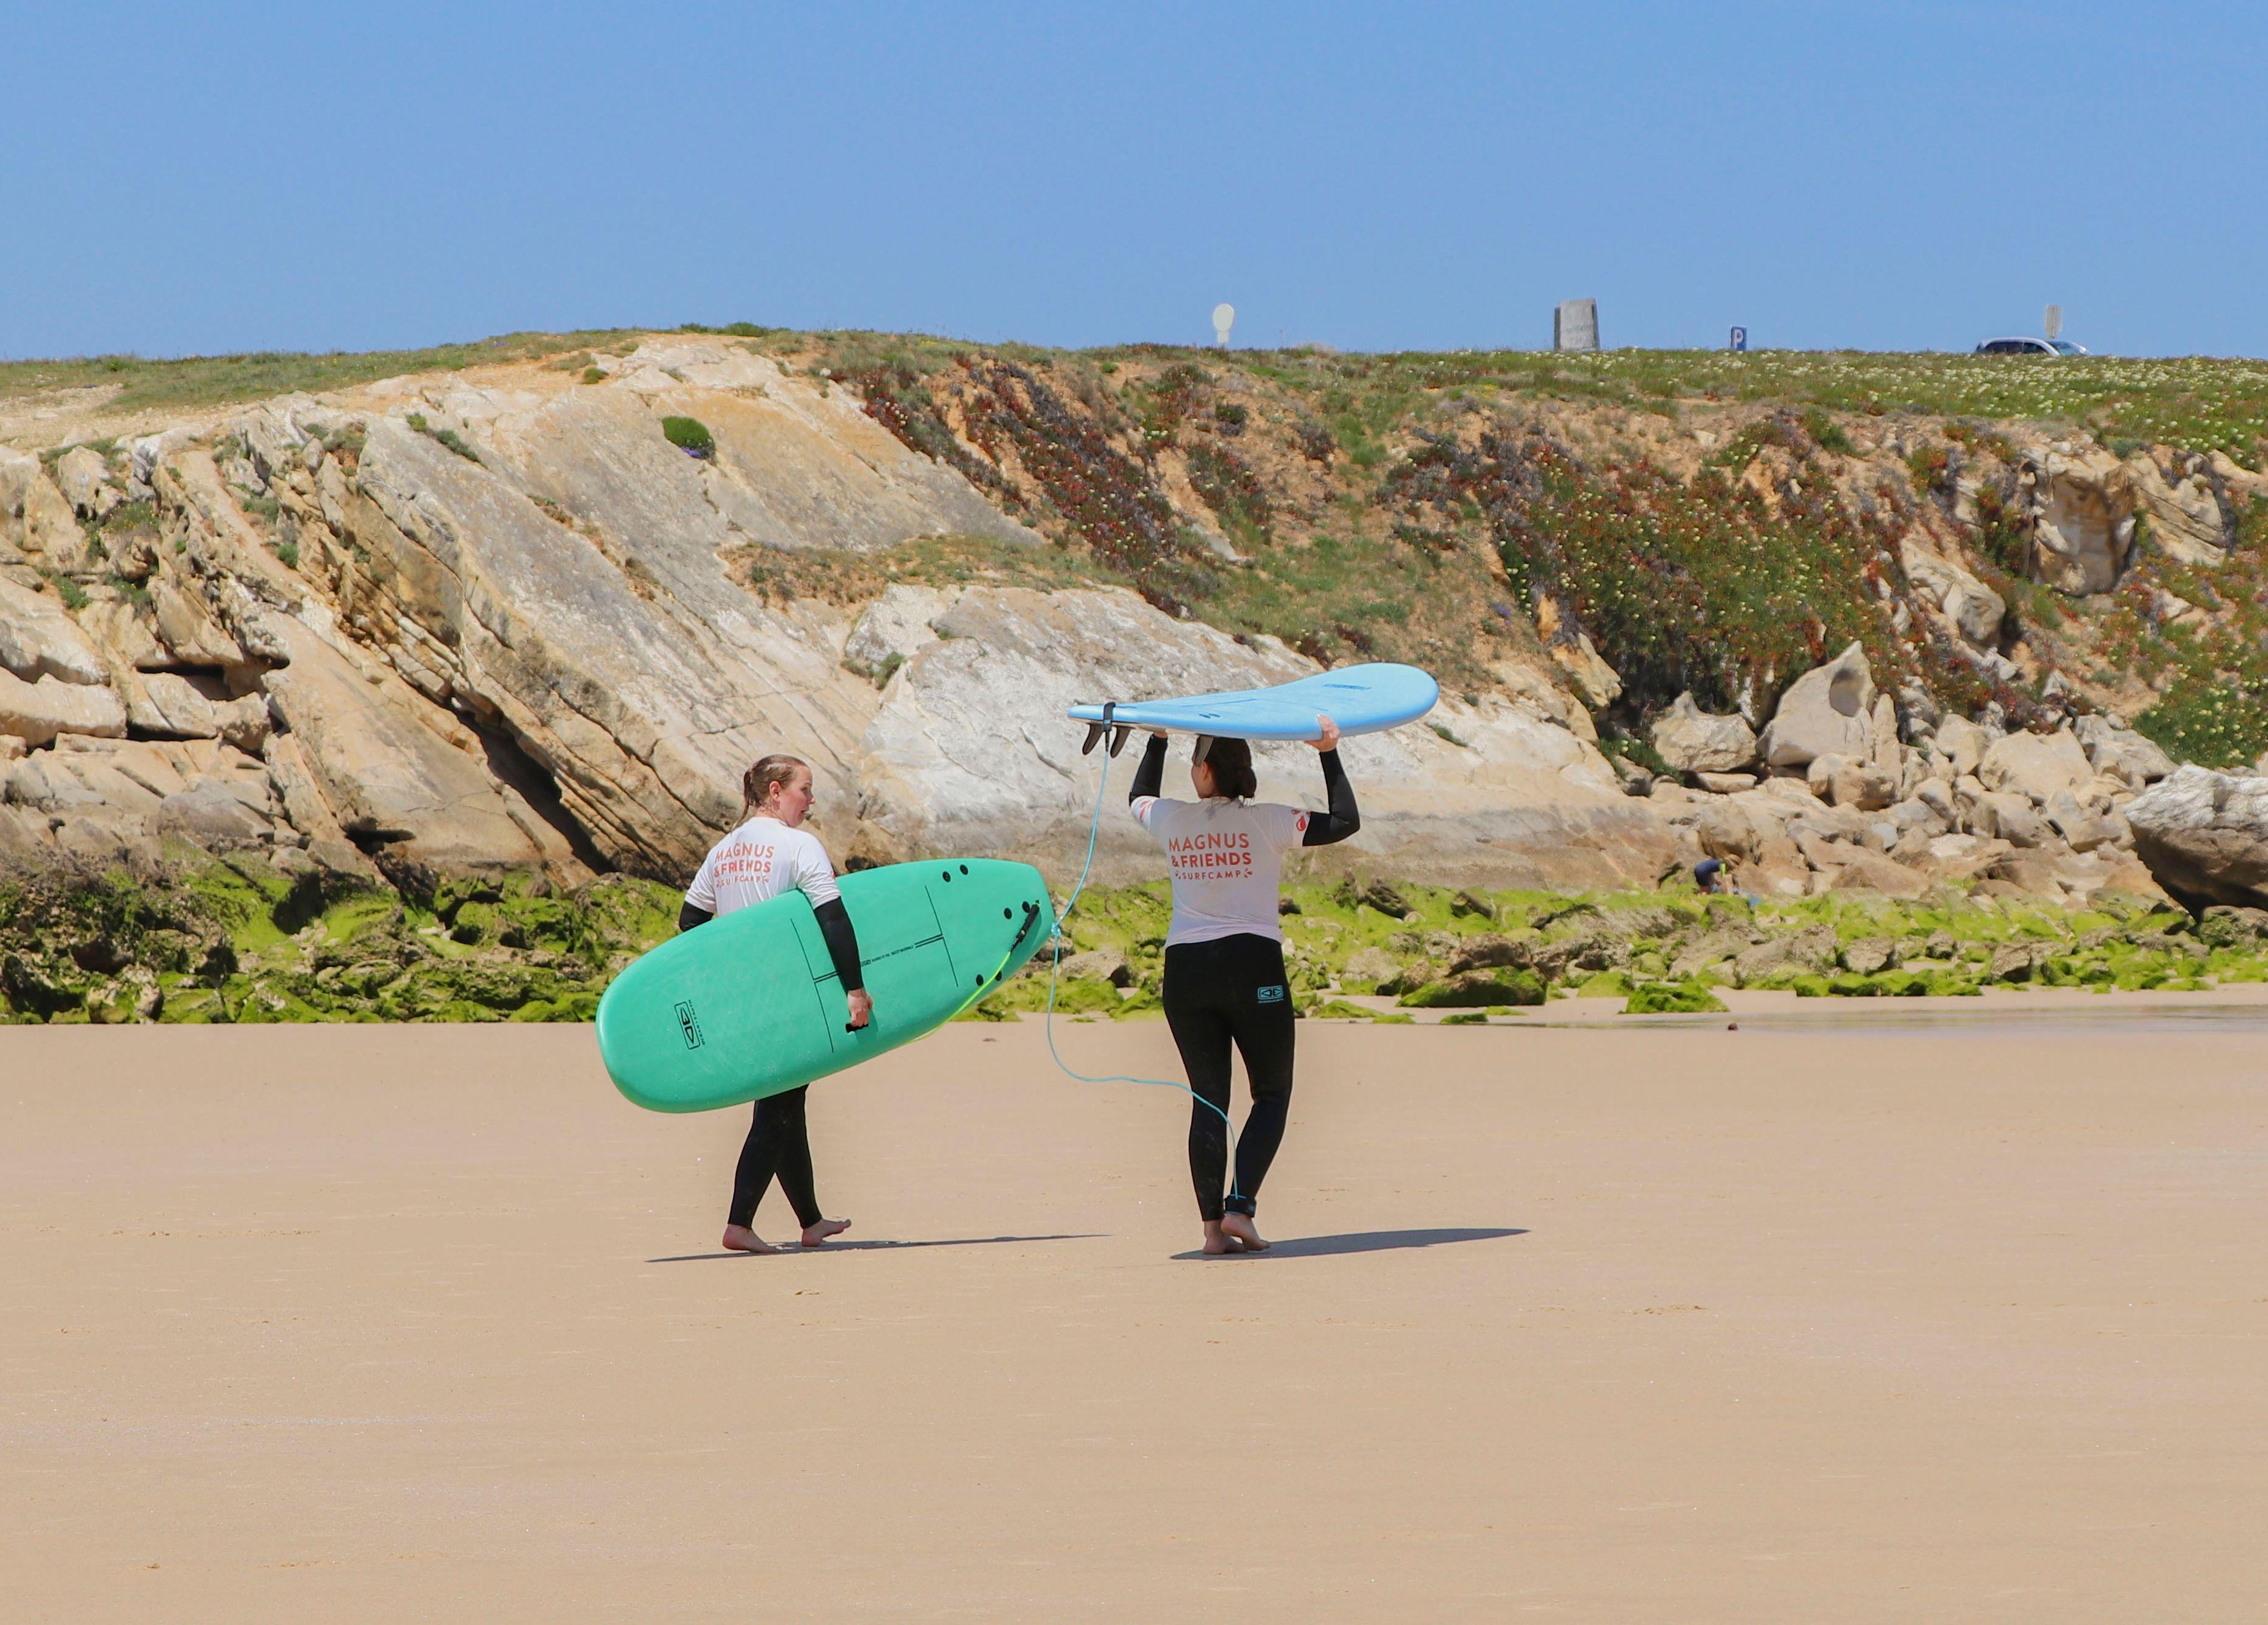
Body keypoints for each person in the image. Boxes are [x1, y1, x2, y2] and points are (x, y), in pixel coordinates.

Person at [1129, 717, 1360, 1255]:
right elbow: (1345, 820)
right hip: (1251, 966)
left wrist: (1157, 738)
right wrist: (1327, 752)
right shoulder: (1270, 822)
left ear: (1205, 771)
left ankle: (1212, 1232)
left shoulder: (1170, 819)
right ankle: (1240, 1209)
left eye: (1193, 764)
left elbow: (1140, 794)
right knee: (1272, 1093)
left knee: (1209, 1101)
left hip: (1185, 971)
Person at [678, 754, 869, 1256]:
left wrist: (722, 977)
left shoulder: (724, 850)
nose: (811, 800)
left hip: (743, 1001)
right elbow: (833, 920)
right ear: (778, 790)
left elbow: (690, 922)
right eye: (805, 789)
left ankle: (810, 1221)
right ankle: (739, 1225)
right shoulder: (798, 845)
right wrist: (854, 989)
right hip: (786, 998)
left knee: (787, 1104)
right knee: (778, 1110)